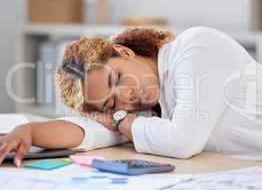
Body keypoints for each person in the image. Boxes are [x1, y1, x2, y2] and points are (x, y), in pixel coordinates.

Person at [1, 27, 262, 168]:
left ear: (123, 51)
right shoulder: (151, 111)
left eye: (116, 78)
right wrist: (30, 131)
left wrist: (118, 119)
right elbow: (90, 131)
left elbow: (184, 141)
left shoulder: (195, 46)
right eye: (112, 103)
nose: (128, 96)